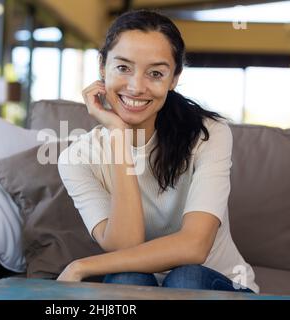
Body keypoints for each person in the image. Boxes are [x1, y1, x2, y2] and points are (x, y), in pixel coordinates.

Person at [56, 9, 259, 294]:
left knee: (185, 278)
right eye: (123, 68)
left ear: (174, 79)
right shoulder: (77, 159)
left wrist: (83, 266)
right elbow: (126, 249)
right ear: (102, 66)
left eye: (155, 73)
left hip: (216, 284)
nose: (137, 87)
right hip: (140, 285)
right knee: (126, 277)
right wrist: (119, 136)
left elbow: (194, 246)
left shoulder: (209, 134)